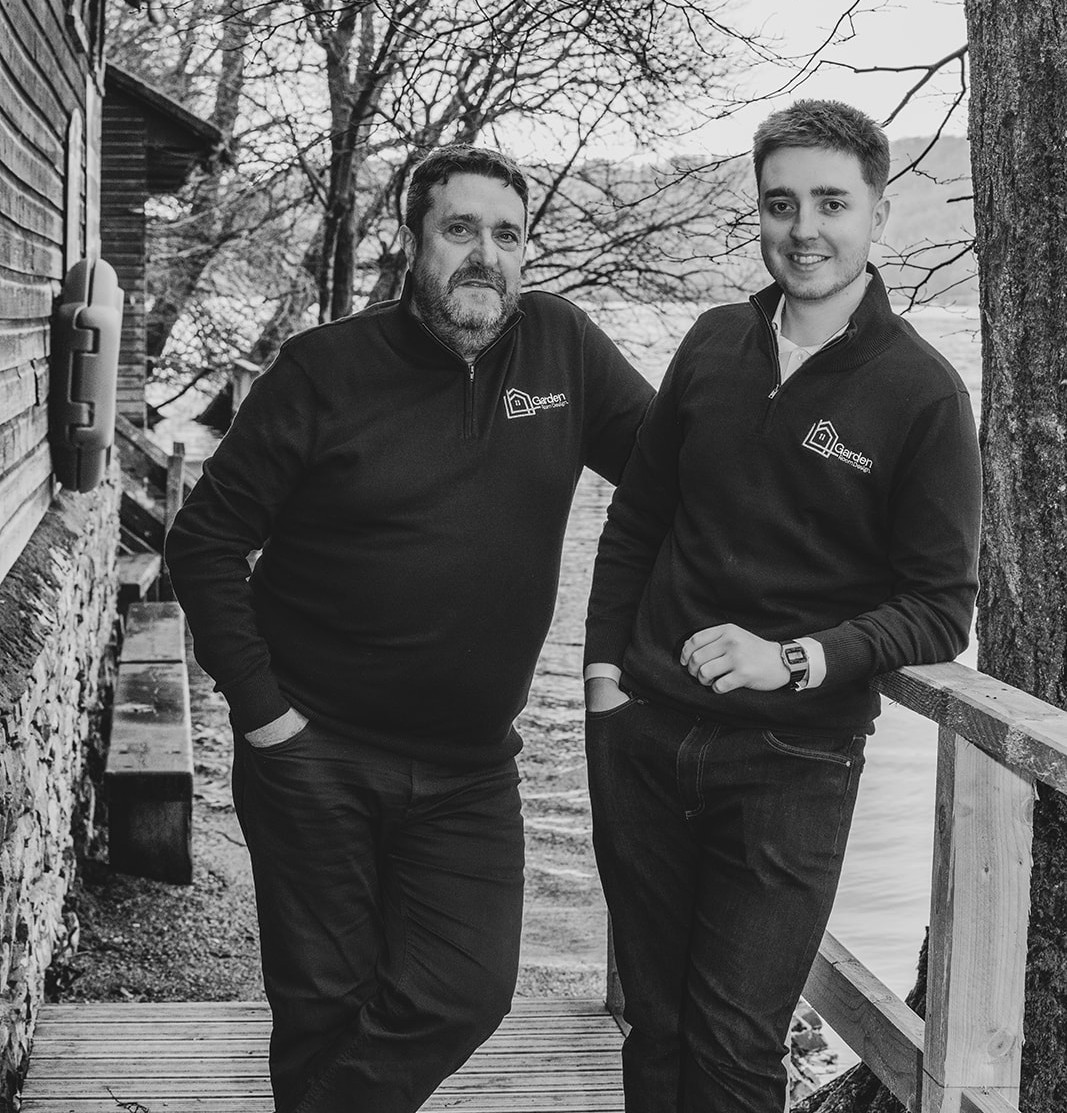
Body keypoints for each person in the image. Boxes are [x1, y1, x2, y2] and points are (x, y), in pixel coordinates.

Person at [165, 144, 653, 1113]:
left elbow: (677, 479)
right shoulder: (324, 371)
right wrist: (266, 718)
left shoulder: (561, 350)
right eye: (460, 230)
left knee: (464, 989)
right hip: (316, 754)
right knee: (323, 1007)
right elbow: (206, 543)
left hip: (471, 769)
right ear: (412, 238)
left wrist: (814, 577)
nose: (486, 255)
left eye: (507, 236)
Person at [582, 99, 982, 1113]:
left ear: (876, 214)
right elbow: (636, 521)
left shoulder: (922, 395)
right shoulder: (713, 343)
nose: (802, 228)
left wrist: (795, 658)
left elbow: (937, 610)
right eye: (779, 203)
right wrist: (600, 678)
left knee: (730, 1047)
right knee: (656, 1028)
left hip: (789, 762)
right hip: (644, 737)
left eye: (829, 202)